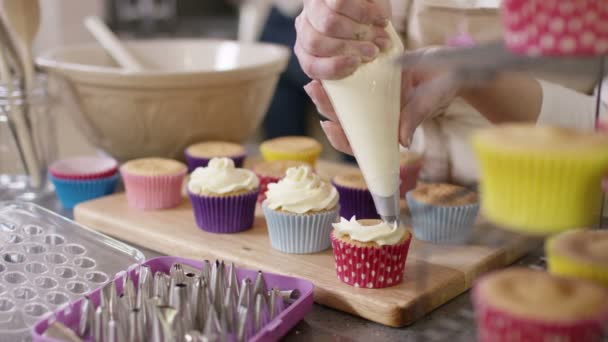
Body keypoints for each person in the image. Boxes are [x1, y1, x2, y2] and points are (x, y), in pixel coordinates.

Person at [294, 0, 608, 185]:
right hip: (412, 194)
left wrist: (476, 79)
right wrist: (334, 29)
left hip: (564, 207)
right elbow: (376, 33)